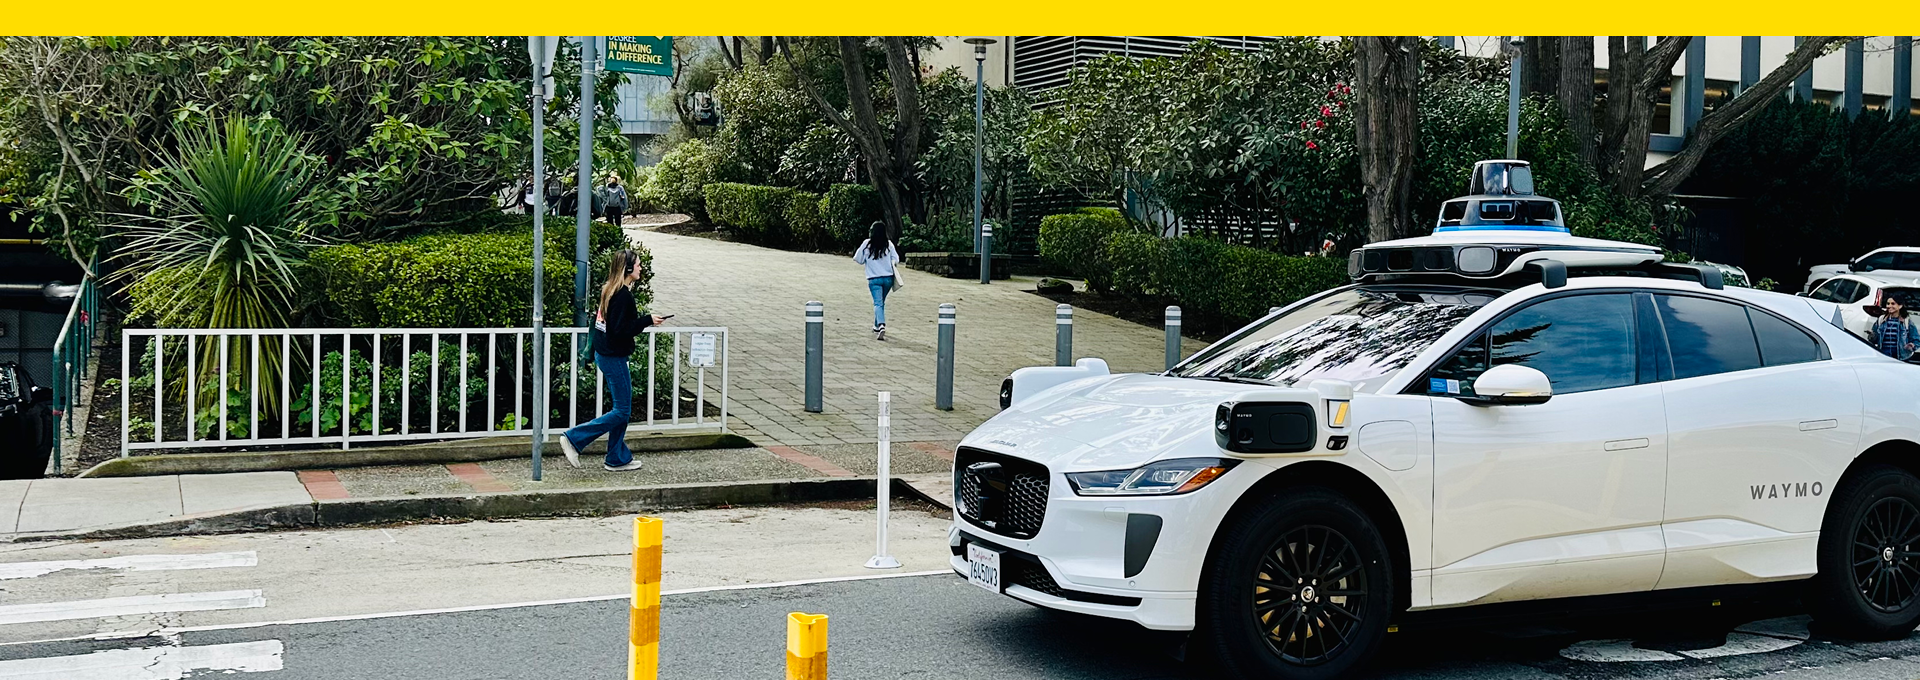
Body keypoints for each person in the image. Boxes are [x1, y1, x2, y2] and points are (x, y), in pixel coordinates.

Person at [560, 250, 665, 471]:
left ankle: (616, 458)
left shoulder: (610, 290)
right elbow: (619, 330)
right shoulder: (623, 296)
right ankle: (574, 438)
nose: (641, 268)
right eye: (638, 265)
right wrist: (647, 320)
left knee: (622, 410)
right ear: (628, 269)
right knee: (622, 411)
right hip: (612, 356)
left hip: (606, 353)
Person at [852, 221, 900, 341]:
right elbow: (896, 259)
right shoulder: (888, 244)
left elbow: (858, 259)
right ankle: (876, 325)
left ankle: (881, 325)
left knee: (878, 303)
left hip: (874, 279)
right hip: (888, 278)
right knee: (880, 302)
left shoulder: (867, 244)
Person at [1869, 292, 1920, 360]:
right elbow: (1874, 340)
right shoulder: (1881, 320)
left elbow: (1916, 340)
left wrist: (1911, 346)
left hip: (1901, 358)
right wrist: (1872, 335)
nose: (1889, 306)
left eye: (1893, 304)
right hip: (1883, 356)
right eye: (1888, 304)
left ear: (1900, 306)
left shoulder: (1906, 322)